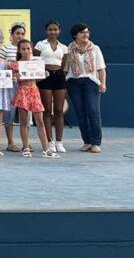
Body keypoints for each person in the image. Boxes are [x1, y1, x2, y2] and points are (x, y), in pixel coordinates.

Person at [62, 22, 107, 154]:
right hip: (73, 83)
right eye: (82, 32)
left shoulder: (95, 49)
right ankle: (86, 141)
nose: (86, 34)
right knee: (80, 113)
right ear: (75, 35)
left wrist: (103, 83)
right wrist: (64, 86)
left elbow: (101, 68)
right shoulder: (68, 49)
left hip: (91, 82)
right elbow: (65, 69)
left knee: (93, 112)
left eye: (87, 32)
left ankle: (96, 142)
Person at [13, 39, 58, 158]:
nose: (26, 51)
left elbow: (36, 79)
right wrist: (16, 77)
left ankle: (46, 149)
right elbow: (15, 81)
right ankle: (26, 147)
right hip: (22, 91)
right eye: (23, 49)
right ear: (19, 50)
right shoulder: (16, 64)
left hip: (34, 91)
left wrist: (44, 74)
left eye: (28, 48)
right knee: (24, 121)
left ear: (31, 49)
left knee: (40, 121)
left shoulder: (36, 63)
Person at [35, 20, 69, 153]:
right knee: (47, 109)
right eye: (50, 29)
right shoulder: (40, 45)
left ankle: (59, 142)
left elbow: (64, 65)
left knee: (59, 110)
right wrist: (42, 73)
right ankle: (50, 142)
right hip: (45, 78)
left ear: (59, 31)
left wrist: (60, 74)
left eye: (55, 29)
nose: (53, 32)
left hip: (59, 77)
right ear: (46, 31)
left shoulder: (63, 47)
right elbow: (35, 61)